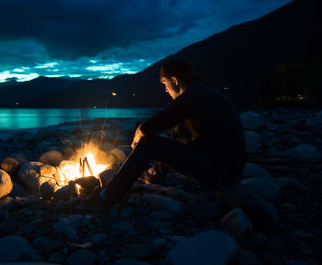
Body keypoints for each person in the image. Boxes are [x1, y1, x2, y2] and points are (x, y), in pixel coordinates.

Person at [89, 59, 276, 226]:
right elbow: (177, 138)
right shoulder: (203, 92)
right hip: (224, 167)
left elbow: (157, 123)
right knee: (163, 137)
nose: (165, 90)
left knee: (148, 142)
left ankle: (107, 197)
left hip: (221, 172)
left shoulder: (194, 95)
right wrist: (157, 169)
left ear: (175, 80)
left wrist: (140, 132)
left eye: (165, 84)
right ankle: (153, 175)